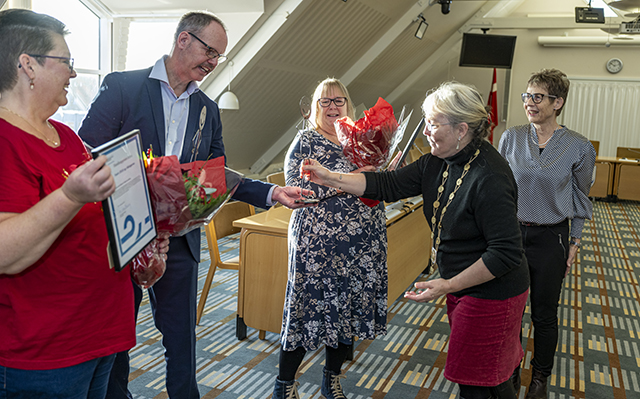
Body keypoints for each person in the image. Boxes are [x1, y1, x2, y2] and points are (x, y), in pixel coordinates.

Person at [78, 11, 310, 399]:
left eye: (218, 57)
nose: (213, 62)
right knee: (116, 336)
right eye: (210, 51)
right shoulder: (122, 87)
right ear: (183, 40)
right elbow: (88, 152)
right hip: (121, 237)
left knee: (182, 339)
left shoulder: (207, 108)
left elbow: (216, 176)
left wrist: (270, 193)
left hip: (180, 242)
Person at [301, 82, 530, 399]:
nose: (425, 131)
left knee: (480, 383)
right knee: (484, 378)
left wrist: (448, 285)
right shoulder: (439, 158)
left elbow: (505, 253)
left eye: (433, 123)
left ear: (461, 129)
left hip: (493, 292)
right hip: (465, 284)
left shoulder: (489, 176)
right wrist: (329, 177)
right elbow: (387, 185)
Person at [0, 9, 167, 398]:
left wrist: (137, 254)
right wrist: (70, 195)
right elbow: (6, 254)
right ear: (28, 65)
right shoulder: (5, 141)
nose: (73, 74)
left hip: (101, 332)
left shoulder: (67, 136)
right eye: (66, 62)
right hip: (46, 352)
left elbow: (92, 225)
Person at [272, 78, 388, 399]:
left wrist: (380, 172)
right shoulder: (305, 141)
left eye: (340, 102)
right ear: (313, 108)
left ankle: (332, 378)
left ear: (349, 107)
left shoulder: (361, 139)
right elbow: (297, 192)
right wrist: (349, 181)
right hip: (317, 243)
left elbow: (378, 182)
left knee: (346, 312)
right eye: (326, 102)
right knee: (305, 310)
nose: (333, 107)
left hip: (361, 242)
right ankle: (285, 385)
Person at [498, 69, 596, 399]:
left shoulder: (580, 147)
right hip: (510, 236)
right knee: (509, 309)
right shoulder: (510, 137)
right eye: (527, 96)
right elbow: (497, 189)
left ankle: (539, 379)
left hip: (551, 236)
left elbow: (581, 197)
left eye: (537, 97)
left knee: (544, 313)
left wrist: (575, 241)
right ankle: (509, 370)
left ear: (558, 102)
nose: (529, 102)